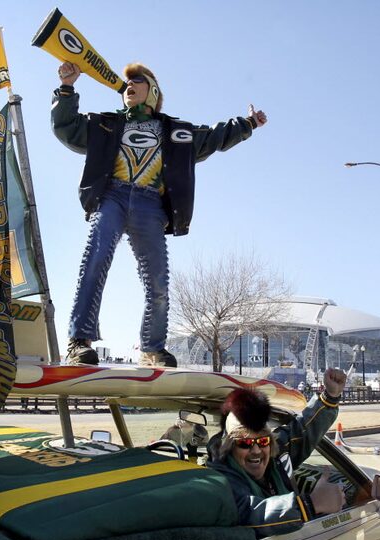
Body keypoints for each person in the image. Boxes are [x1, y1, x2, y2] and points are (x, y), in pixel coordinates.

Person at [52, 61, 267, 367]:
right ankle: (79, 342)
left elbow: (213, 137)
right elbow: (67, 127)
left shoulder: (176, 132)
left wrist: (248, 124)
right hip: (112, 196)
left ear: (152, 91)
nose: (129, 85)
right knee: (95, 259)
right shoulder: (106, 124)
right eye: (126, 83)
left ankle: (152, 348)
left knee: (158, 281)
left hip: (150, 204)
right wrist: (67, 88)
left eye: (137, 81)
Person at [208, 368, 347, 537]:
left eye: (263, 441)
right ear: (229, 447)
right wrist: (308, 505)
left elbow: (303, 430)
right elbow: (250, 514)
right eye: (245, 443)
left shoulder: (277, 454)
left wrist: (330, 397)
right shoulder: (220, 481)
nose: (256, 450)